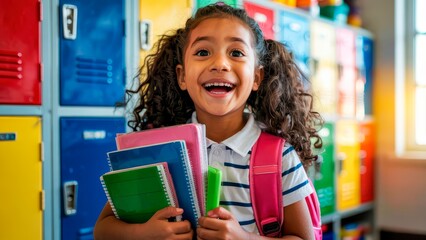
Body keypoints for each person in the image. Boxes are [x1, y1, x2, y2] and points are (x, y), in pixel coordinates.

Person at [94, 3, 323, 240]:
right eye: (203, 52)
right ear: (182, 76)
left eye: (236, 53)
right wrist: (145, 232)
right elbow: (103, 230)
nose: (219, 64)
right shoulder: (156, 149)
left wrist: (242, 238)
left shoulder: (279, 157)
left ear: (257, 77)